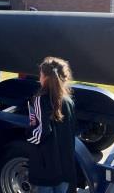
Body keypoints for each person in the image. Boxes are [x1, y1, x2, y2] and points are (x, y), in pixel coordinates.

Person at [27, 57, 76, 193]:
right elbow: (72, 131)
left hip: (46, 166)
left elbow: (41, 133)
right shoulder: (68, 101)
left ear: (45, 77)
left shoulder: (39, 99)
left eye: (41, 74)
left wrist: (28, 133)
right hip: (65, 164)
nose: (39, 77)